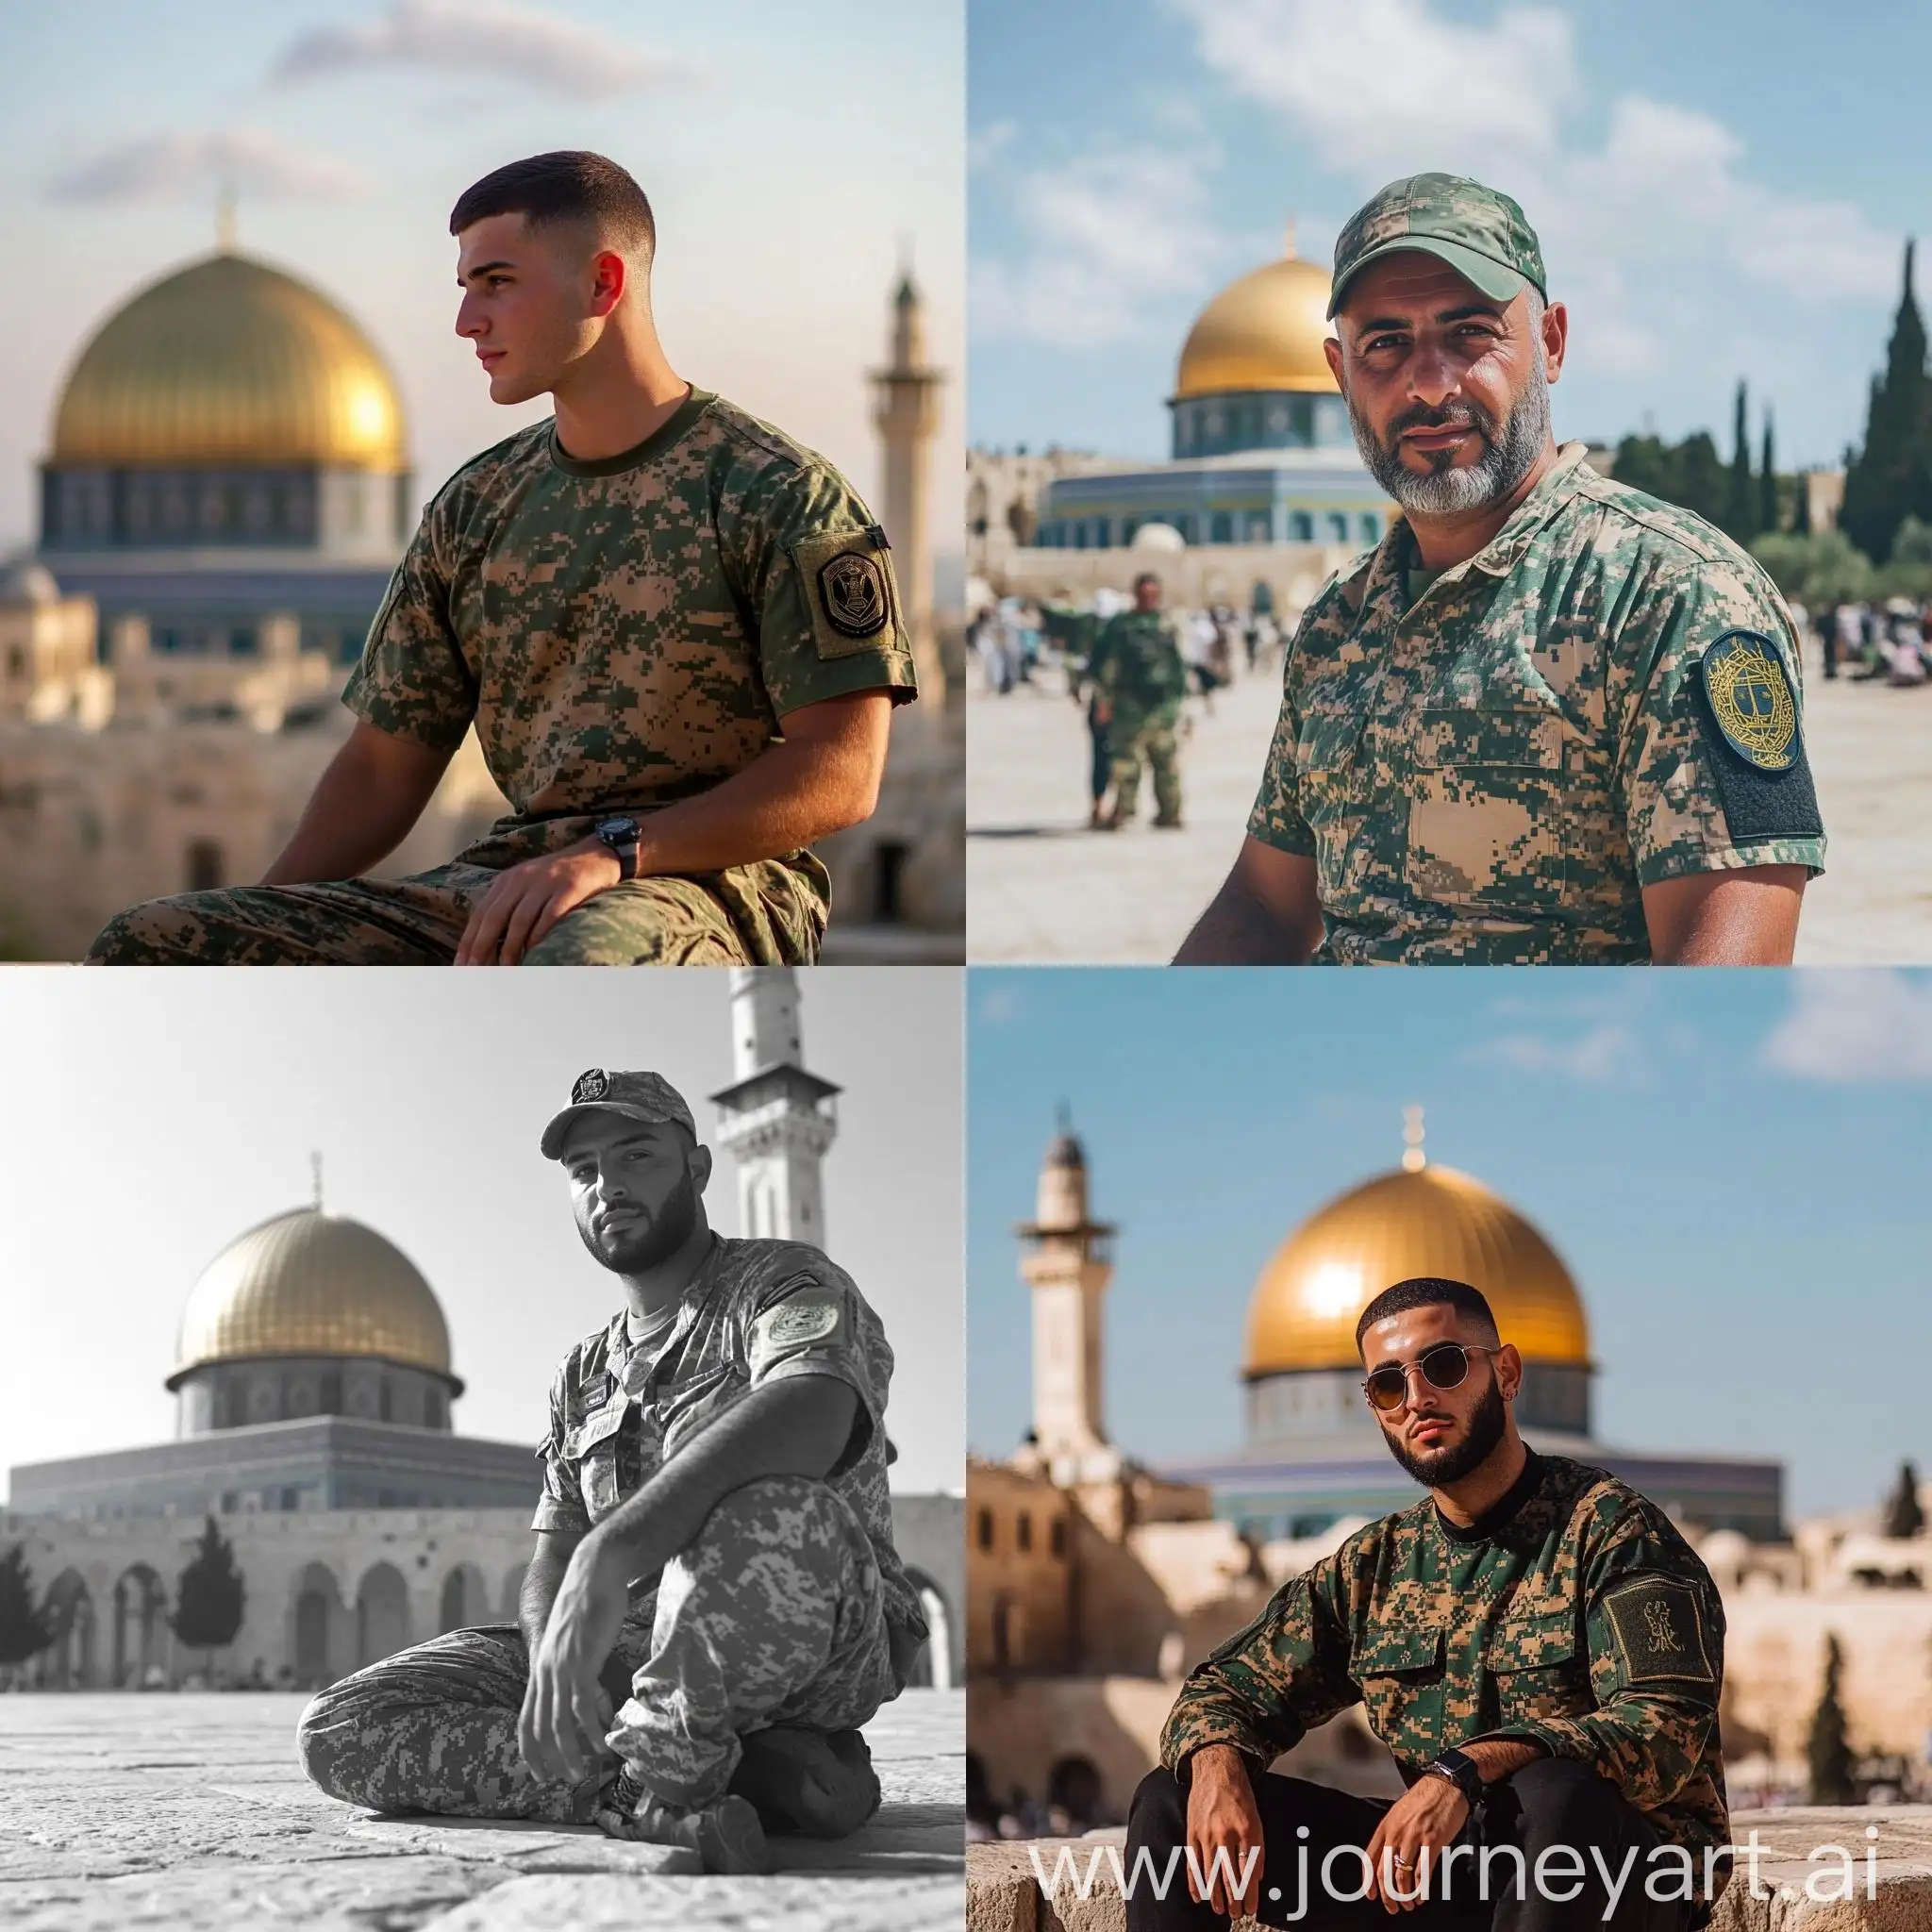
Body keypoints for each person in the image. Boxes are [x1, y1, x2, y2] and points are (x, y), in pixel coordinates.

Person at [88, 150, 916, 968]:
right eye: (465, 289)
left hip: (710, 889)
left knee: (582, 960)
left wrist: (615, 853)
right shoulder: (478, 508)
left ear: (603, 284)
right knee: (152, 945)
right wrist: (255, 936)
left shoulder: (780, 496)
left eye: (498, 283)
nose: (467, 322)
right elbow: (384, 768)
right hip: (517, 880)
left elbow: (842, 771)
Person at [1176, 173, 1824, 967]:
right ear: (1340, 374)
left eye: (1470, 334)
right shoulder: (1339, 626)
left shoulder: (1670, 596)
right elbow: (1263, 906)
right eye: (1384, 344)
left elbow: (1726, 976)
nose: (1429, 383)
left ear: (1550, 343)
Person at [295, 1068, 927, 1874]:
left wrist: (613, 1552)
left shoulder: (784, 1283)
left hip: (812, 1629)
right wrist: (555, 1649)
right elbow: (554, 1544)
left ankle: (680, 1771)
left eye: (636, 1158)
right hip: (638, 1650)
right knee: (340, 1728)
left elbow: (815, 1409)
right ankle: (702, 1780)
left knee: (768, 1506)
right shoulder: (583, 1371)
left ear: (697, 1170)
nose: (609, 1187)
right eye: (585, 1171)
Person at [1127, 1276, 1727, 1930]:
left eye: (1443, 1367)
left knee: (1554, 1794)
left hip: (1620, 1877)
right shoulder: (1376, 1566)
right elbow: (1227, 1689)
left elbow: (1664, 1728)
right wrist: (1216, 1763)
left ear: (1506, 1372)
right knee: (1169, 1797)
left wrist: (1466, 1768)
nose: (1418, 1400)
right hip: (1446, 1879)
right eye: (1389, 1384)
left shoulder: (1612, 1533)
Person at [1092, 574, 1189, 830]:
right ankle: (1123, 812)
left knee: (1166, 763)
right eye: (1144, 594)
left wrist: (1183, 706)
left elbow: (1180, 668)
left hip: (1162, 709)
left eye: (1152, 594)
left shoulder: (1168, 625)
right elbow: (1102, 667)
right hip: (1128, 708)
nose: (1148, 599)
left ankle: (1170, 813)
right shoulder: (1120, 627)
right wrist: (1103, 702)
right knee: (1125, 764)